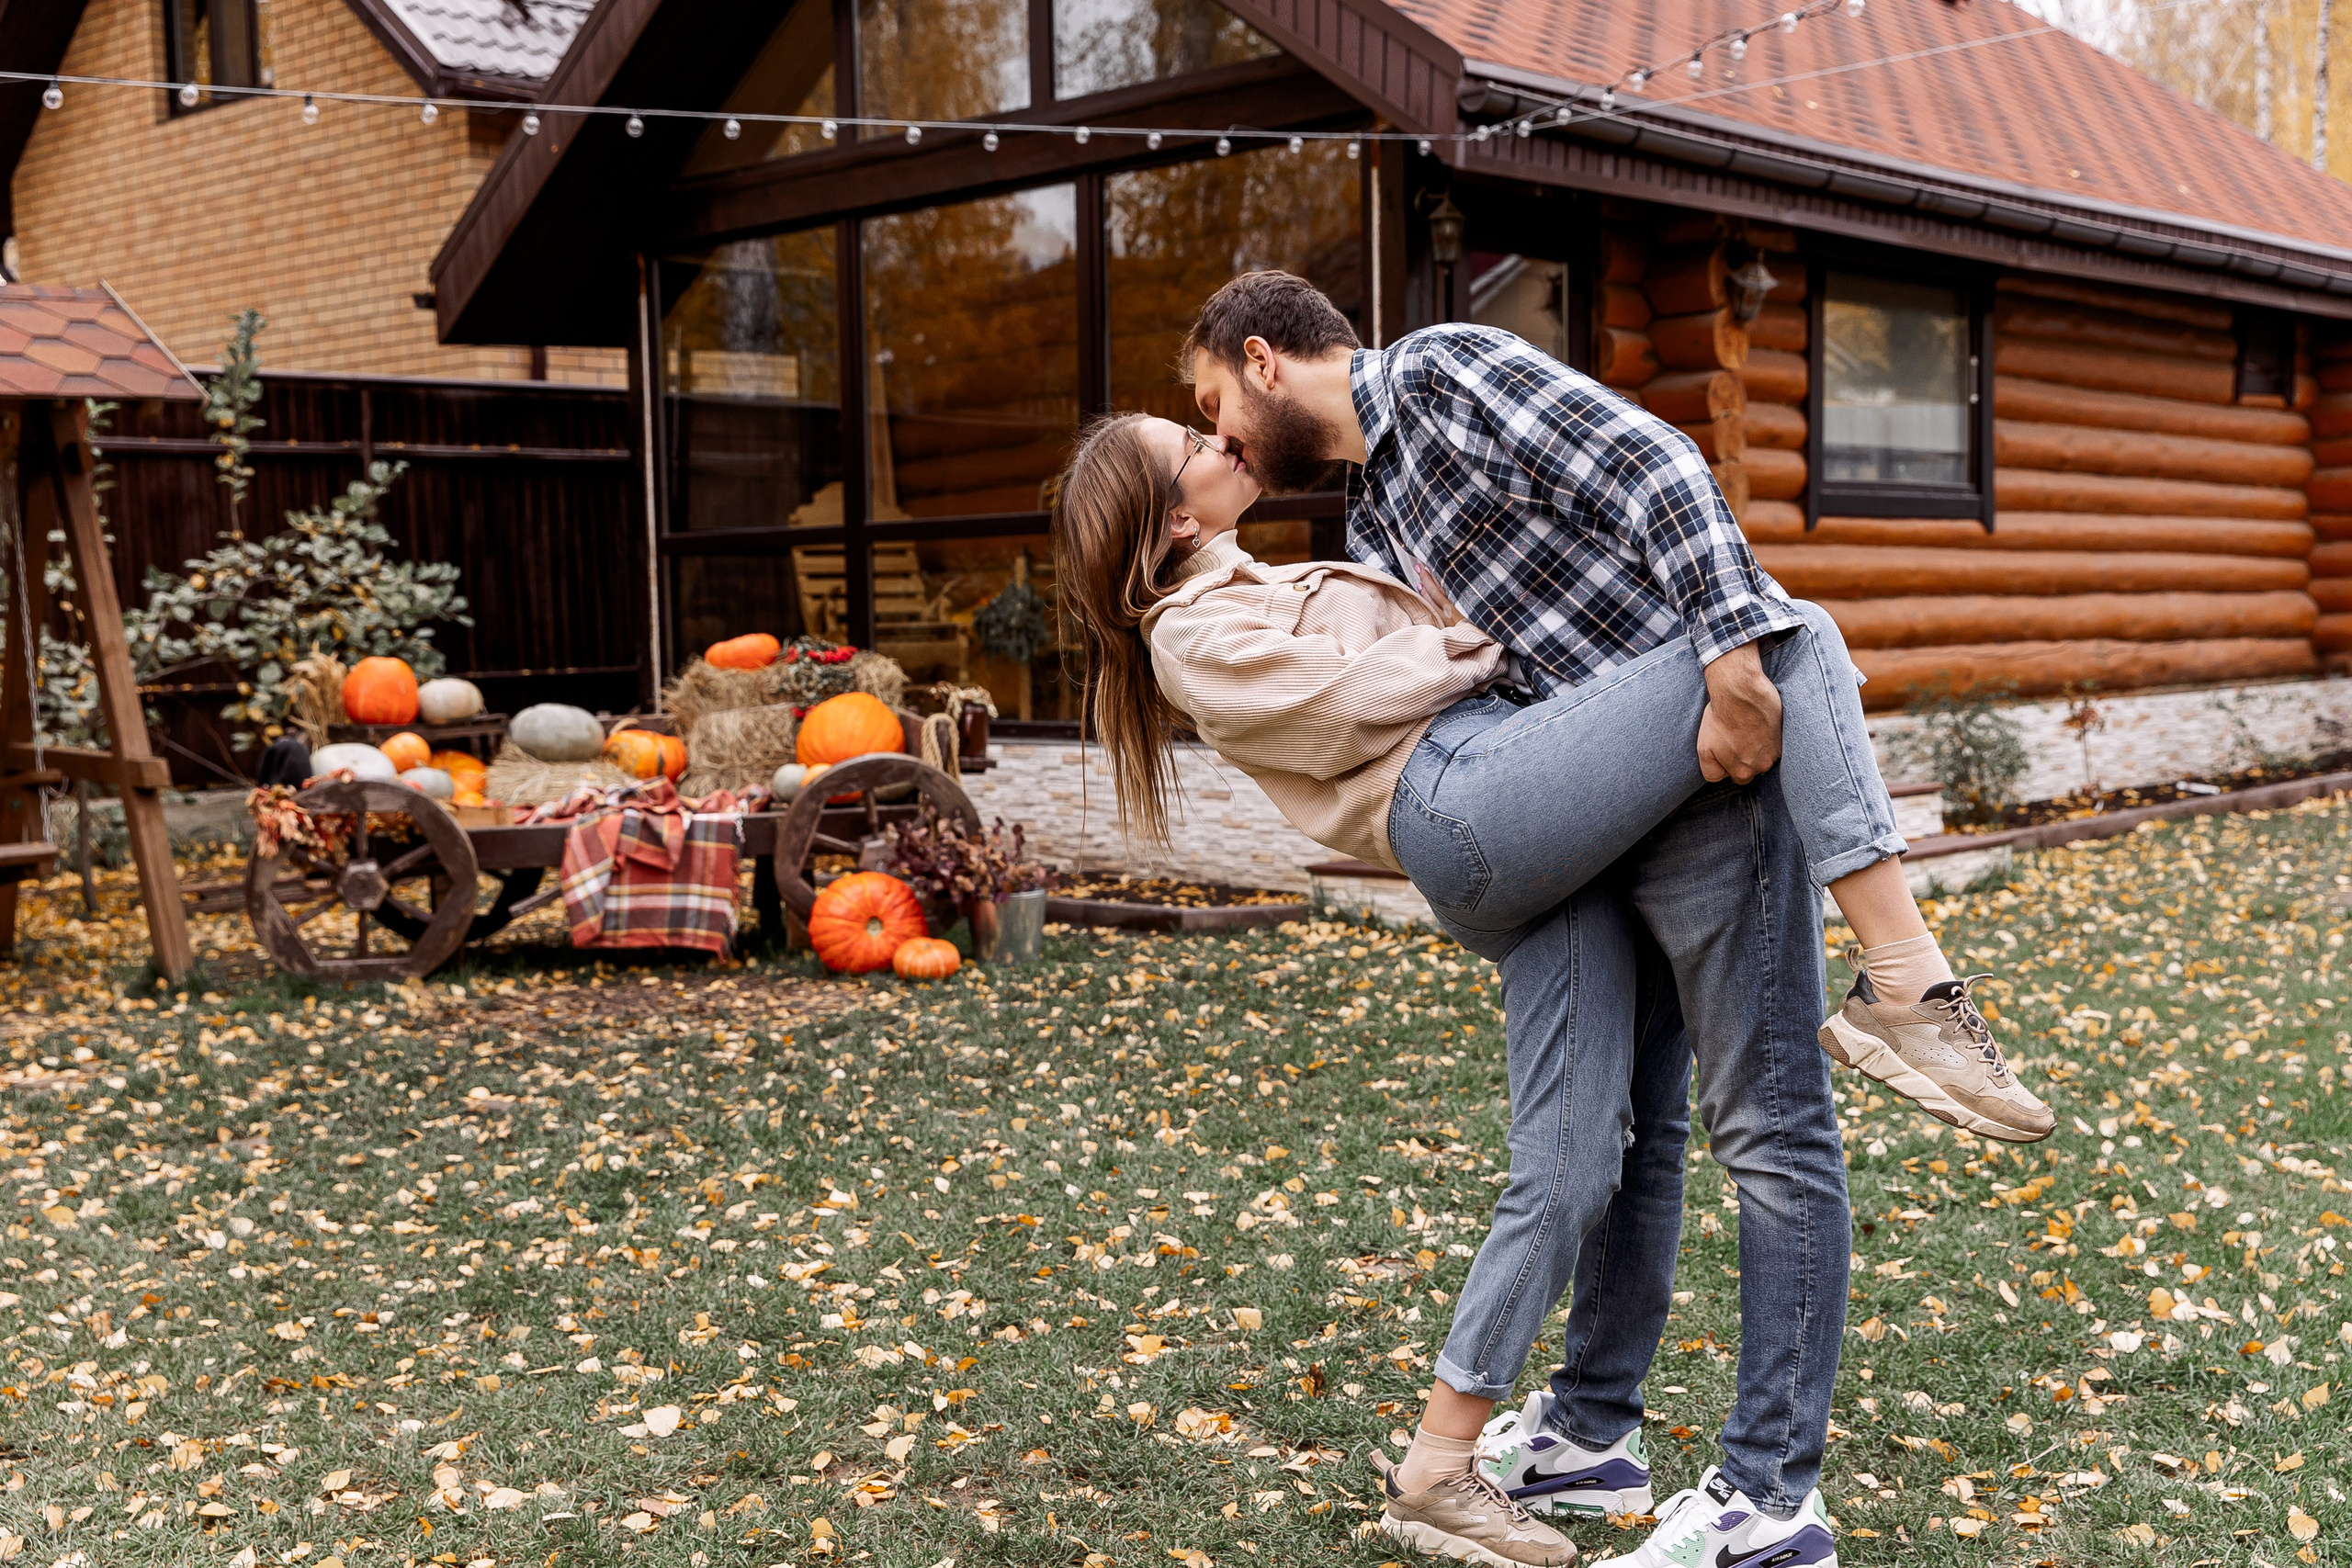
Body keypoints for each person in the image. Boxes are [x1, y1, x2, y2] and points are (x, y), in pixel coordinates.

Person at [1048, 276, 2048, 1568]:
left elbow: (1659, 469)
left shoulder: (1424, 410)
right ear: (1169, 513)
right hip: (1515, 802)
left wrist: (1710, 664)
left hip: (1656, 786)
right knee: (1791, 633)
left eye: (1205, 410)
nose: (1217, 435)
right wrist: (1573, 650)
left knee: (1620, 1147)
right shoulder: (1284, 566)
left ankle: (1565, 1446)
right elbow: (1395, 685)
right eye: (1193, 435)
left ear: (1259, 360)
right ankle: (1904, 986)